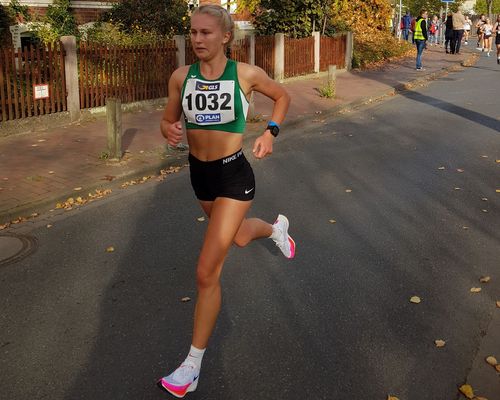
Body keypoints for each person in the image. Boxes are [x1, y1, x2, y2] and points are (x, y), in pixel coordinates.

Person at [157, 5, 295, 398]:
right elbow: (167, 119)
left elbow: (282, 96)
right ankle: (275, 229)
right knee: (236, 238)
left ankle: (191, 366)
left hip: (234, 175)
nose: (197, 39)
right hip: (199, 176)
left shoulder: (245, 74)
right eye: (193, 32)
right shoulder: (181, 77)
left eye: (205, 33)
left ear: (225, 37)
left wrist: (270, 132)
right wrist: (168, 129)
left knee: (205, 272)